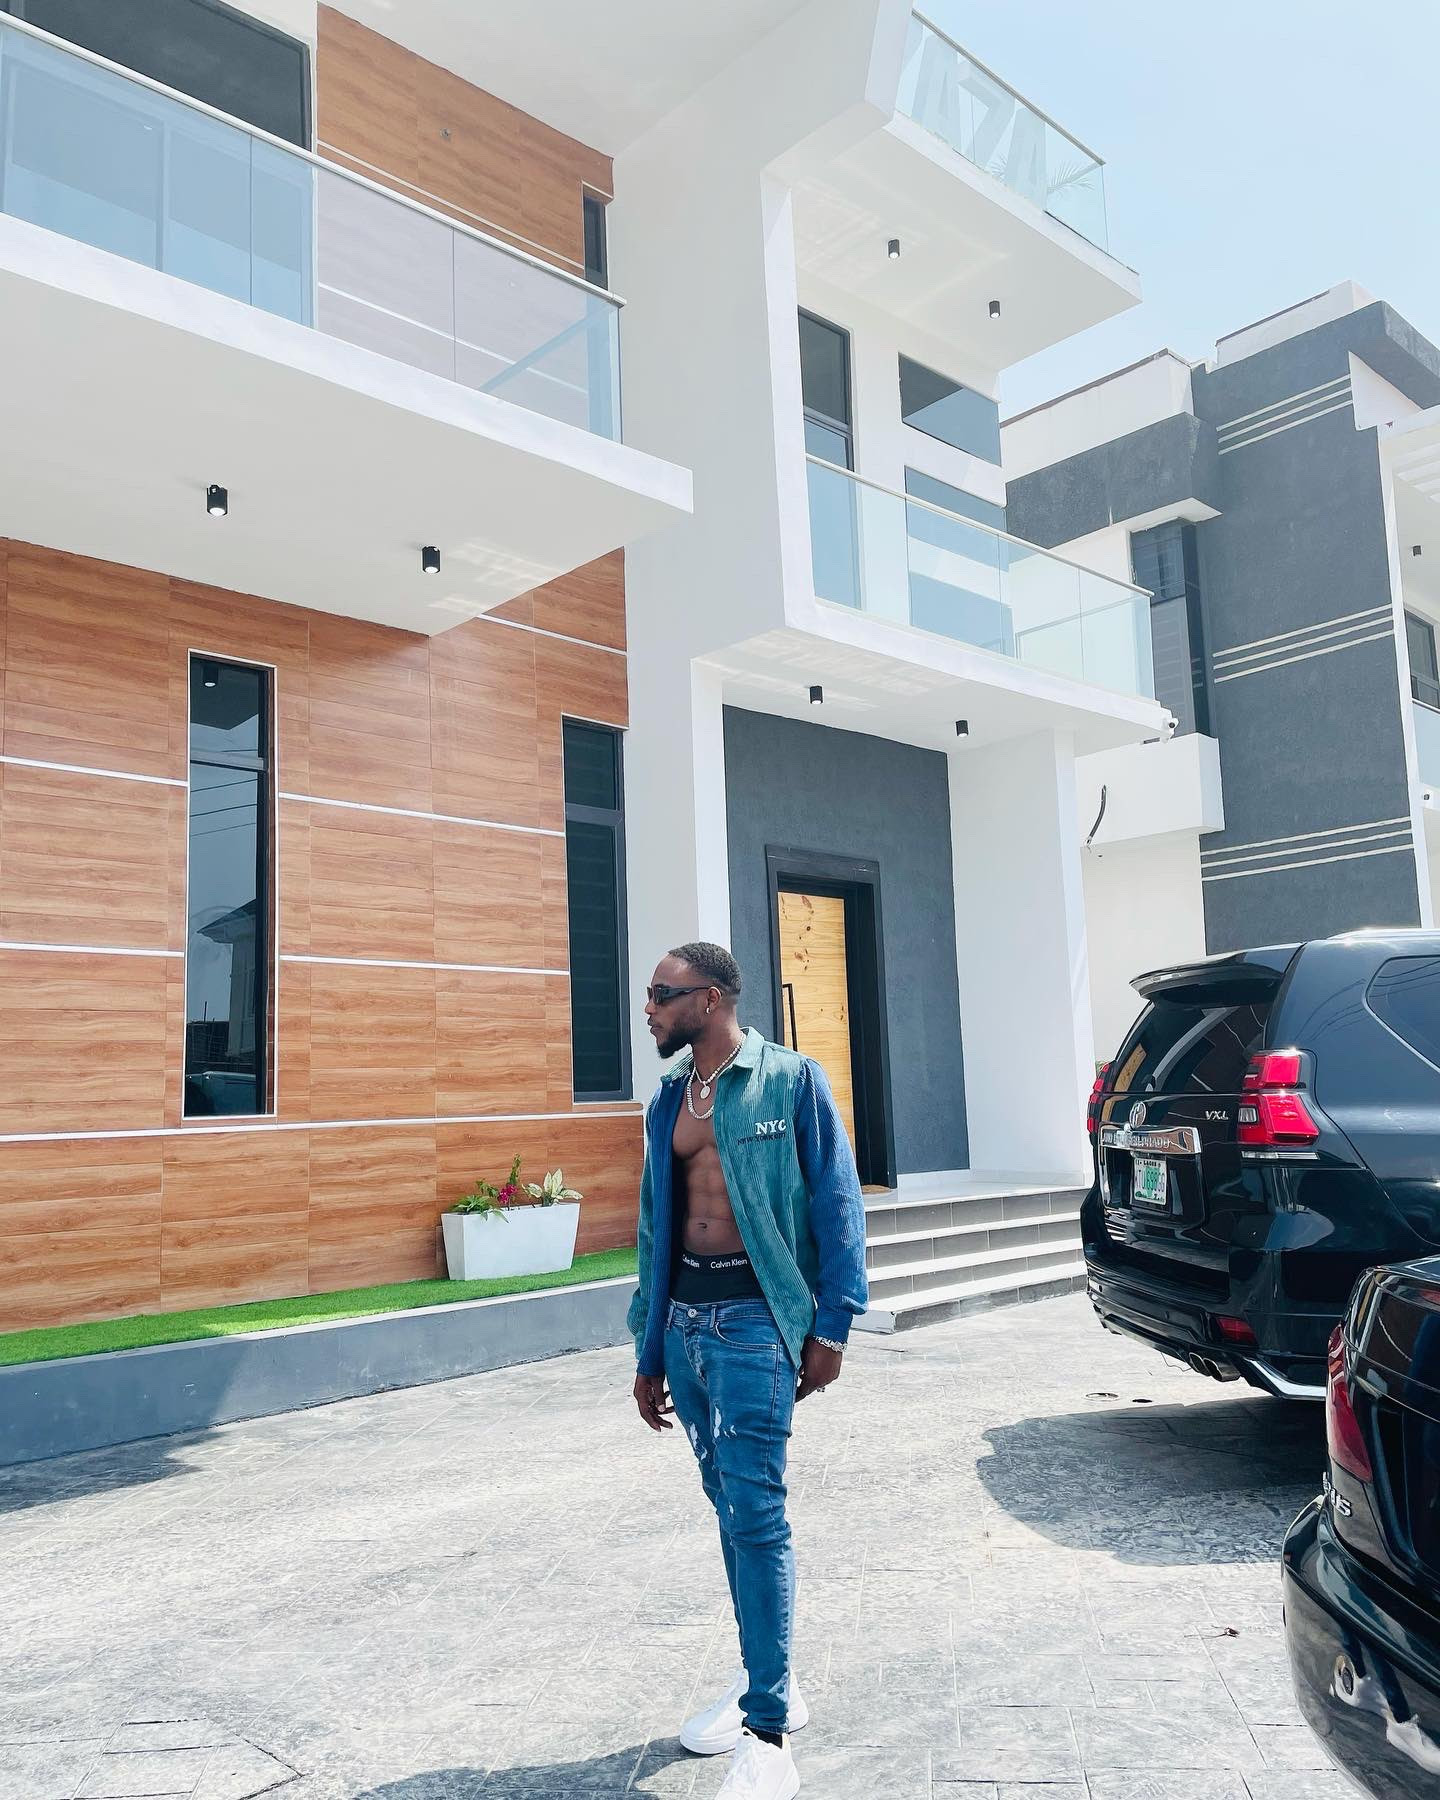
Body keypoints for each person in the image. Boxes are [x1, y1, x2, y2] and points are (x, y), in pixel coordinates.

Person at [628, 942, 868, 1800]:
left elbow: (838, 1203)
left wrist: (832, 1327)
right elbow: (654, 1227)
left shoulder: (792, 1082)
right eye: (650, 994)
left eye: (662, 994)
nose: (649, 1008)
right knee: (729, 1511)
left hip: (755, 1326)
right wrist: (649, 1347)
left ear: (711, 998)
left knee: (758, 1516)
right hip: (685, 1326)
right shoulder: (668, 1097)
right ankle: (770, 1679)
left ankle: (768, 1734)